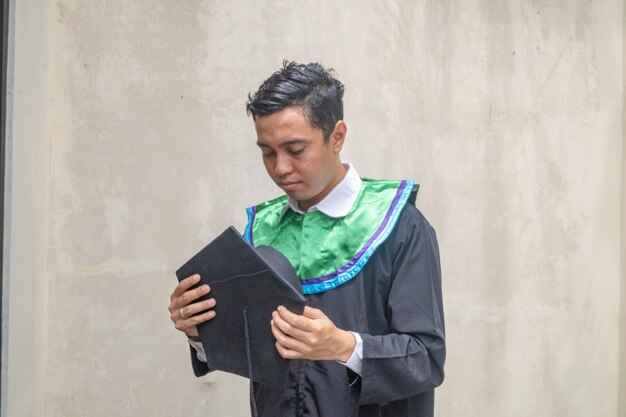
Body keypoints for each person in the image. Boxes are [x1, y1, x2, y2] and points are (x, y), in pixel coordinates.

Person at [168, 61, 445, 417]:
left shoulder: (399, 226)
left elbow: (427, 358)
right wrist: (198, 330)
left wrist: (343, 346)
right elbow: (252, 350)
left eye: (296, 150)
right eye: (267, 152)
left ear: (337, 136)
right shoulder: (263, 230)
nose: (280, 167)